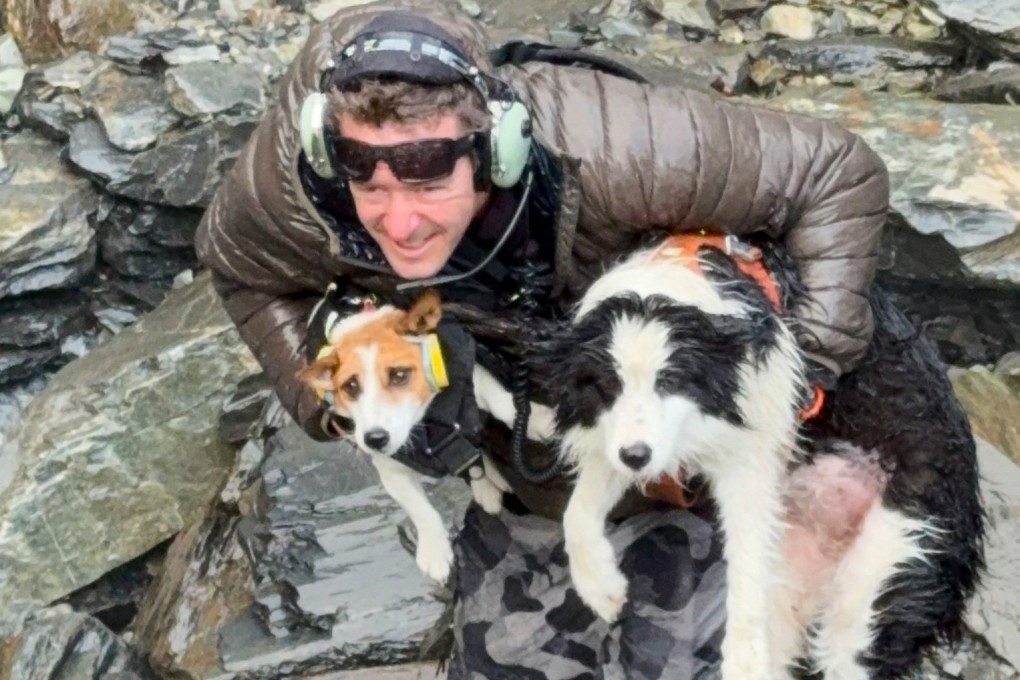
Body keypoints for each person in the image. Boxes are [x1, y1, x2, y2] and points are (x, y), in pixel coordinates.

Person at [194, 0, 890, 676]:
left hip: (696, 369)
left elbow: (837, 171)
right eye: (368, 187)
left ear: (497, 149)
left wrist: (801, 368)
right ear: (326, 148)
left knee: (738, 652)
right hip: (538, 422)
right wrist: (329, 403)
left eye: (429, 181)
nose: (399, 224)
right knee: (507, 659)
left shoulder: (621, 144)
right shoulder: (286, 189)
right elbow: (240, 272)